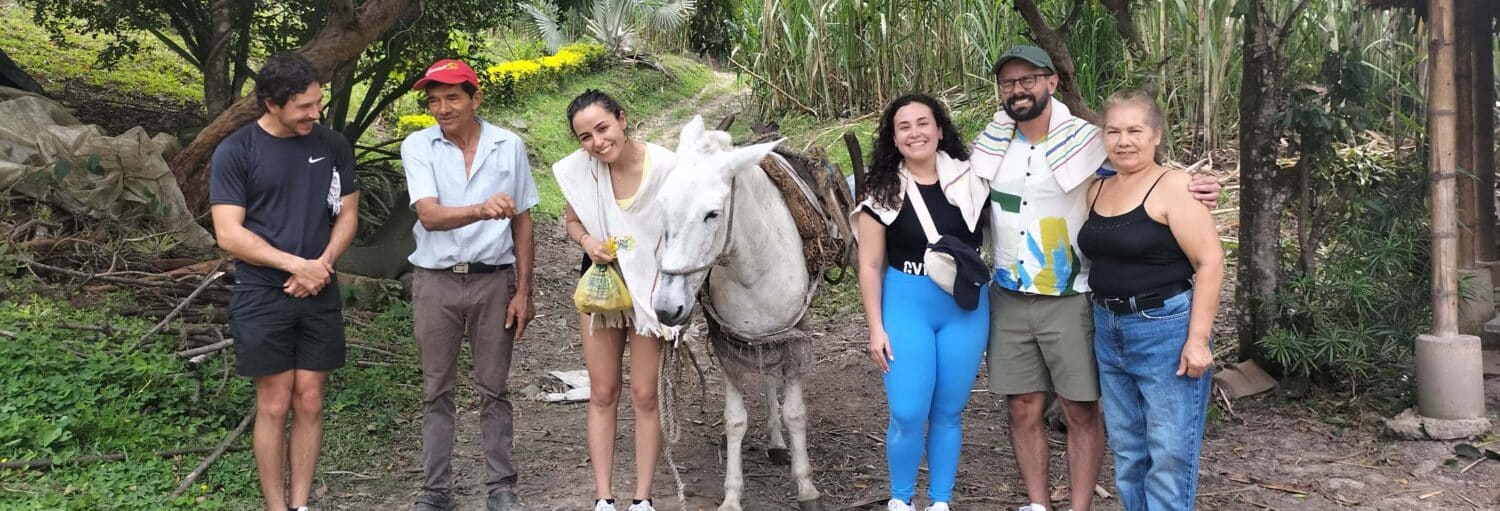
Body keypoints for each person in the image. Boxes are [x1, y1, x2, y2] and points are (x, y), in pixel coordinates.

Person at [968, 46, 1221, 511]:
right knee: (1045, 414)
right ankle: (1040, 504)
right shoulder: (989, 144)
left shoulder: (1086, 144)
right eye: (1008, 83)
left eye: (1028, 79)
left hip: (1083, 298)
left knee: (1101, 417)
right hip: (1021, 296)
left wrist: (1196, 186)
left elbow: (1148, 178)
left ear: (1051, 82)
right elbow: (951, 185)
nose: (1018, 89)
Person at [209, 52, 360, 511]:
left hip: (320, 287)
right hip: (261, 292)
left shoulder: (333, 144)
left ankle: (301, 504)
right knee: (274, 403)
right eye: (304, 106)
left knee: (310, 400)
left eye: (318, 102)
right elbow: (228, 233)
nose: (316, 113)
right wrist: (296, 266)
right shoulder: (236, 151)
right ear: (272, 104)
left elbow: (347, 215)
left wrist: (320, 266)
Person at [400, 58, 538, 511]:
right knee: (436, 388)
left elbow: (522, 220)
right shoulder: (418, 146)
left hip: (493, 281)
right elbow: (429, 216)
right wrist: (481, 209)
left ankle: (501, 487)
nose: (442, 108)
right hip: (435, 281)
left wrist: (523, 291)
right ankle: (435, 491)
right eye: (434, 100)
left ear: (475, 99)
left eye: (452, 97)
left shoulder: (508, 145)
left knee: (494, 387)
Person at [1078, 91, 1223, 511]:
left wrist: (1198, 340)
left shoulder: (1175, 187)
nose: (1124, 141)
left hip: (1165, 328)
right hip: (1108, 327)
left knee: (1170, 452)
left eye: (1135, 130)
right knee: (1128, 451)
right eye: (1114, 131)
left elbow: (1211, 262)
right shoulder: (1097, 189)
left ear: (1156, 135)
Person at [853, 94, 992, 511]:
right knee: (908, 410)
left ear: (940, 130)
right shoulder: (882, 192)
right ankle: (900, 499)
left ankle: (940, 501)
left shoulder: (972, 179)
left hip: (963, 308)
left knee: (949, 411)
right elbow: (870, 265)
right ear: (894, 139)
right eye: (904, 126)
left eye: (923, 123)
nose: (915, 133)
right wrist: (875, 328)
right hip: (906, 305)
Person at [553, 89, 673, 511]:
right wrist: (588, 241)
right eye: (585, 137)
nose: (597, 142)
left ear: (622, 119)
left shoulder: (666, 168)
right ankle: (603, 498)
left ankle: (642, 499)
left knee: (644, 393)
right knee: (603, 391)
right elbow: (572, 221)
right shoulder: (581, 171)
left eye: (603, 128)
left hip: (649, 292)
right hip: (602, 289)